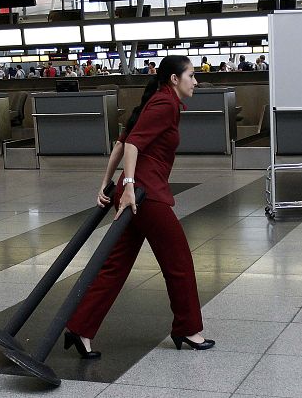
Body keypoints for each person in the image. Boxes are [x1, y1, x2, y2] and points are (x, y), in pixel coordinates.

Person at [64, 55, 214, 359]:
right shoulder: (165, 104)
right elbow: (132, 145)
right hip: (146, 195)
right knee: (179, 262)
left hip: (135, 191)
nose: (195, 81)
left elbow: (122, 143)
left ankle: (80, 328)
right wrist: (129, 186)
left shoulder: (155, 101)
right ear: (175, 79)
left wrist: (109, 184)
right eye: (191, 75)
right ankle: (187, 328)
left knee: (115, 265)